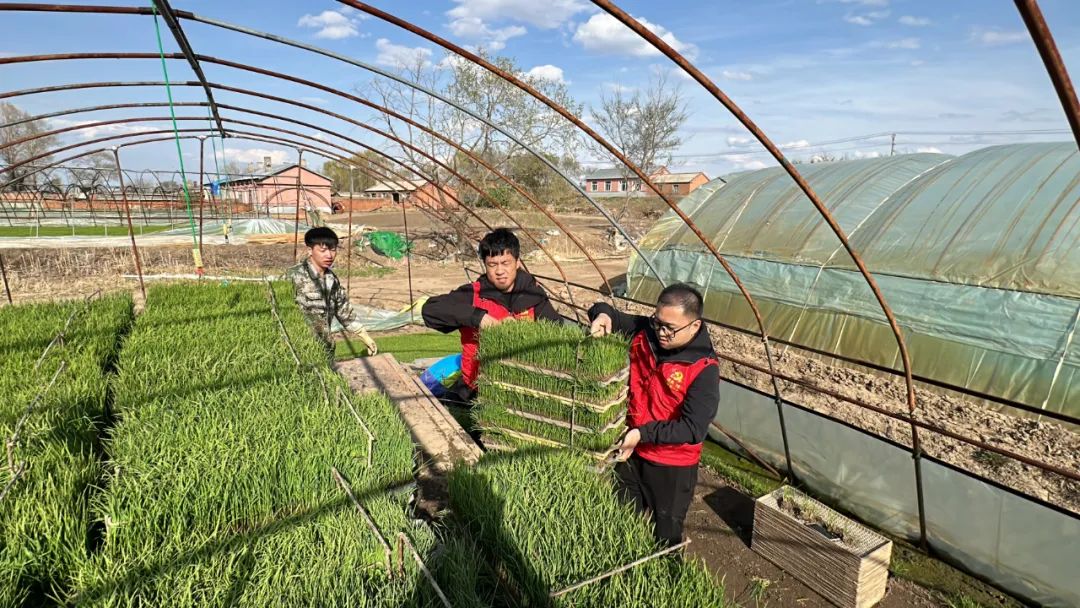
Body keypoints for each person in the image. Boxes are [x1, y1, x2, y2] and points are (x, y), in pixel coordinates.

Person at [588, 283, 720, 546]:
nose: (661, 332)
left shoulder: (703, 367)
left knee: (665, 535)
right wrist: (602, 316)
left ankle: (668, 576)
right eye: (658, 322)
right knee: (623, 521)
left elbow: (692, 429)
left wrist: (642, 433)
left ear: (694, 326)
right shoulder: (646, 332)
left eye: (670, 328)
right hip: (632, 452)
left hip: (671, 465)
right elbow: (605, 310)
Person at [422, 228, 560, 404]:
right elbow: (430, 311)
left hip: (520, 390)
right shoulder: (474, 294)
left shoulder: (534, 295)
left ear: (517, 262)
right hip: (476, 391)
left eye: (506, 263)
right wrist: (479, 318)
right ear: (485, 265)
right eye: (492, 265)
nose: (500, 271)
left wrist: (603, 311)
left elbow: (558, 334)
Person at [286, 226, 378, 360]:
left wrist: (363, 334)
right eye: (323, 250)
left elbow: (342, 308)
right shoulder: (293, 276)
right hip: (298, 348)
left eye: (333, 250)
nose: (329, 255)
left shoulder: (331, 279)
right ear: (310, 250)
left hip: (325, 346)